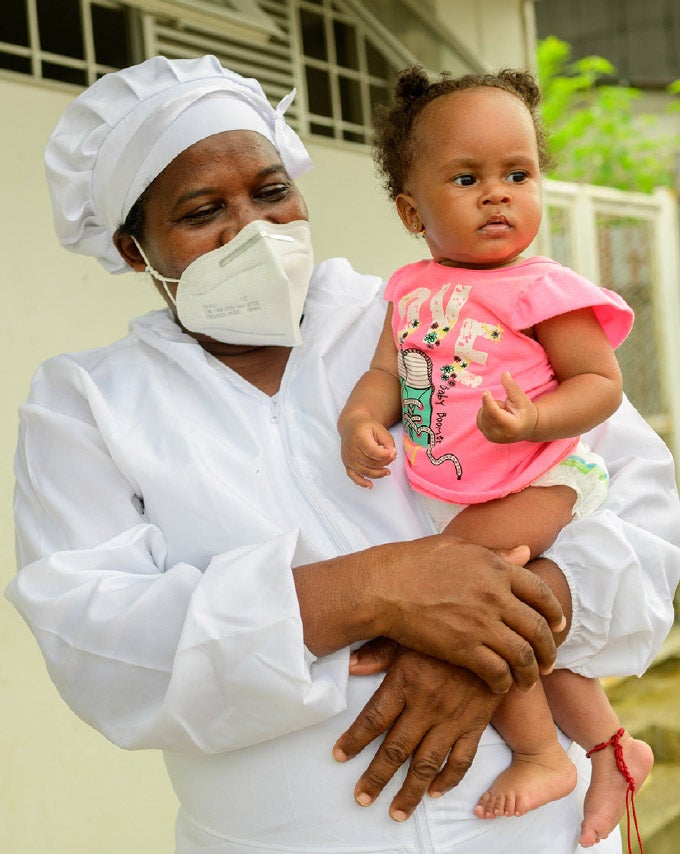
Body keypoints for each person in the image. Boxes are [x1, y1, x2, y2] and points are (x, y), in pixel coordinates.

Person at [5, 55, 680, 854]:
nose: (253, 230)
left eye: (270, 192)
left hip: (541, 835)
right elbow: (100, 646)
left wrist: (491, 633)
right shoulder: (88, 405)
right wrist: (369, 591)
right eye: (201, 211)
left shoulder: (432, 307)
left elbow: (637, 503)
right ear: (131, 246)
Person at [337, 67, 654, 847]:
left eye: (519, 174)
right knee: (512, 623)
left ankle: (545, 754)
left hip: (540, 474)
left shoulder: (543, 289)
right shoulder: (410, 289)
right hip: (460, 488)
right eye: (467, 177)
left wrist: (534, 418)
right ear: (413, 211)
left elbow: (601, 386)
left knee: (460, 598)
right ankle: (613, 747)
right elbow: (386, 373)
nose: (498, 194)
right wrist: (360, 418)